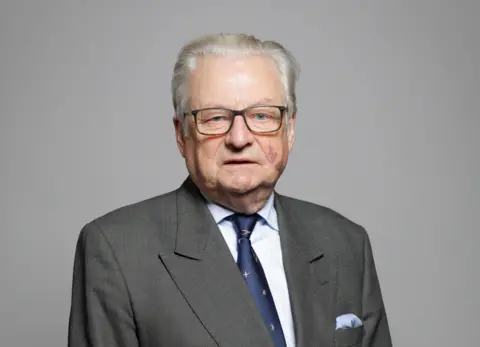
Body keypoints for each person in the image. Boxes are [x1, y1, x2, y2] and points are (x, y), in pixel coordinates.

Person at [68, 33, 392, 347]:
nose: (239, 138)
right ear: (181, 134)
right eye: (215, 117)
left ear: (290, 130)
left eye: (262, 115)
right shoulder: (117, 250)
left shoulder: (346, 243)